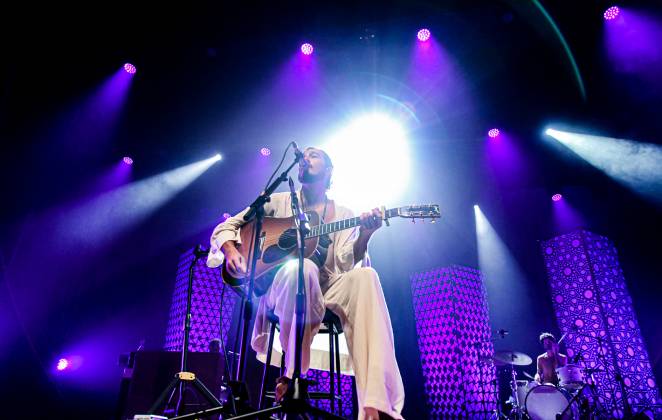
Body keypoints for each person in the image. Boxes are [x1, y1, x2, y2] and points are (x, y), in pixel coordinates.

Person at [207, 147, 405, 420]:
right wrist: (231, 250)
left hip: (328, 288)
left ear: (328, 171)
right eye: (304, 155)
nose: (306, 159)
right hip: (282, 287)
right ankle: (292, 377)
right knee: (302, 267)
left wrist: (366, 235)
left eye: (314, 156)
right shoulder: (277, 202)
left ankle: (378, 407)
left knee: (366, 276)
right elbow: (227, 226)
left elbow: (347, 262)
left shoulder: (344, 212)